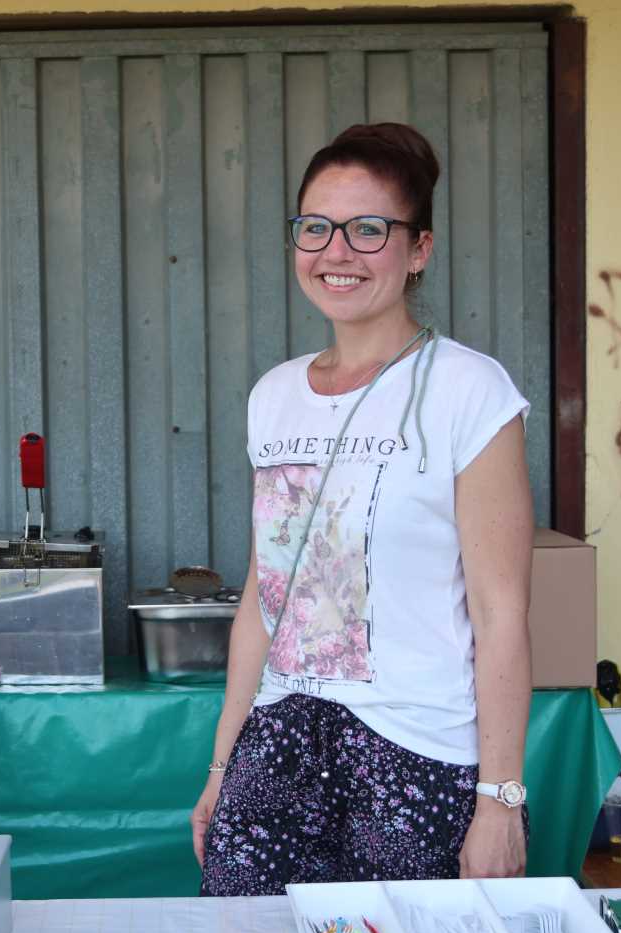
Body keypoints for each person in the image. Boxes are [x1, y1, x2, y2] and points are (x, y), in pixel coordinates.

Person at [192, 123, 532, 893]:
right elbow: (262, 599)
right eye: (315, 227)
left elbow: (501, 612)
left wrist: (500, 800)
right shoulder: (274, 396)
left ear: (419, 250)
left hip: (418, 753)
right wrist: (223, 766)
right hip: (277, 745)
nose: (334, 251)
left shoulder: (468, 391)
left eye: (368, 229)